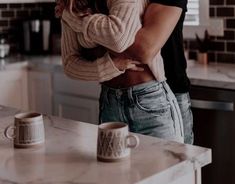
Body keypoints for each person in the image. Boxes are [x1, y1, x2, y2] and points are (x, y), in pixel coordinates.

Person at [56, 0, 184, 142]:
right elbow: (69, 64)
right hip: (109, 102)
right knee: (113, 163)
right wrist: (112, 66)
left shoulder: (71, 13)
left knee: (168, 164)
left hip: (149, 102)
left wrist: (73, 18)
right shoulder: (73, 4)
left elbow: (118, 38)